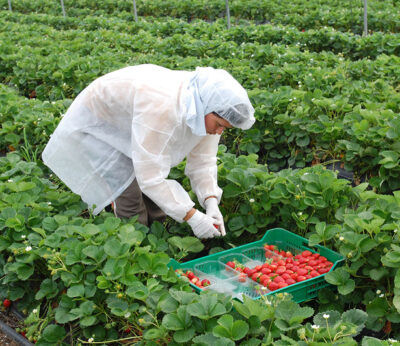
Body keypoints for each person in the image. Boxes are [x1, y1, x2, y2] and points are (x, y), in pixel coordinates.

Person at [42, 64, 255, 239]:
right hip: (101, 123)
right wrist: (192, 217)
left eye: (225, 129)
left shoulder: (208, 111)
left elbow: (203, 161)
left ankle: (156, 244)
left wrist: (210, 201)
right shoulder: (164, 109)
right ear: (208, 107)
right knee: (129, 199)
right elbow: (151, 178)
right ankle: (133, 251)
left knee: (155, 202)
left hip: (134, 118)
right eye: (219, 124)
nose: (218, 132)